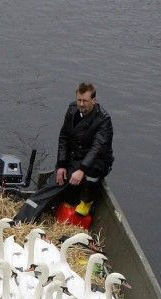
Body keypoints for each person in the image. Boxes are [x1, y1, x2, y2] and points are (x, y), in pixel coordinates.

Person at [14, 82, 114, 223]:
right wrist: (61, 164)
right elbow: (64, 137)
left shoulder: (103, 120)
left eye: (85, 101)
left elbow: (97, 148)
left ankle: (86, 200)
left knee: (92, 171)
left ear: (94, 100)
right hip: (75, 157)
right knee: (53, 185)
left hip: (96, 161)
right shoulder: (72, 109)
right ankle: (21, 220)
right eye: (79, 100)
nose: (81, 104)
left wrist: (81, 170)